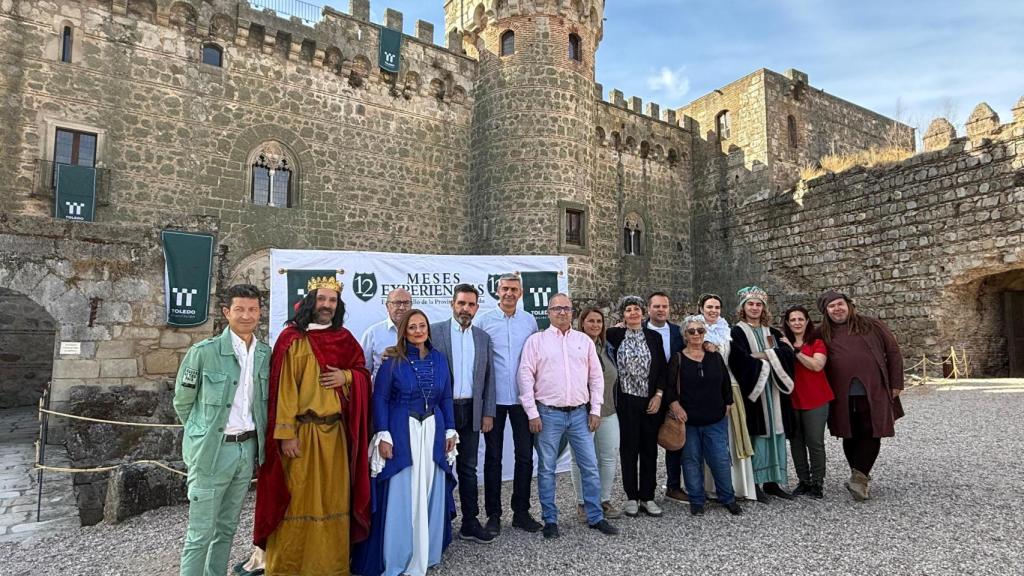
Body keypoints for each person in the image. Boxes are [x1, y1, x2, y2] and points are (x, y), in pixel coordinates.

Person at [254, 276, 373, 575]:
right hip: (301, 435)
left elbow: (362, 373)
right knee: (297, 500)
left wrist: (347, 377)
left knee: (334, 500)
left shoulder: (344, 339)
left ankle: (331, 567)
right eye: (322, 299)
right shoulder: (292, 338)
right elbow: (282, 389)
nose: (327, 306)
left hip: (334, 435)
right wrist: (285, 434)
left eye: (332, 301)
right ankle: (290, 568)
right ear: (310, 301)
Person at [174, 284, 270, 576]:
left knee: (226, 529)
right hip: (212, 452)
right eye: (239, 309)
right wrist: (201, 436)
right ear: (227, 312)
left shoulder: (266, 353)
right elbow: (182, 402)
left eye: (252, 309)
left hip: (246, 450)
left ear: (260, 313)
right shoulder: (203, 353)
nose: (246, 315)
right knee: (200, 533)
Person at [355, 309, 457, 576]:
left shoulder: (439, 359)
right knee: (403, 493)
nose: (418, 331)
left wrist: (450, 430)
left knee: (429, 489)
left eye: (422, 326)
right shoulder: (392, 362)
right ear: (404, 331)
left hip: (432, 430)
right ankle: (398, 556)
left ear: (428, 329)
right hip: (403, 431)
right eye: (412, 327)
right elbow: (380, 399)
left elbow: (445, 397)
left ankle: (428, 550)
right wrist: (384, 434)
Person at [518, 294, 620, 539]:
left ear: (572, 312)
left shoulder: (583, 341)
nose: (562, 312)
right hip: (548, 414)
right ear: (549, 312)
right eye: (557, 308)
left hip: (579, 414)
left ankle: (595, 516)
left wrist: (595, 409)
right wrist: (532, 413)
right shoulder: (536, 342)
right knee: (547, 469)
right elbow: (525, 377)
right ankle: (550, 519)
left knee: (590, 466)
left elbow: (596, 378)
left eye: (566, 308)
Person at [817, 290, 904, 501]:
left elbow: (893, 351)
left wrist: (896, 383)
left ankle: (859, 477)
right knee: (849, 433)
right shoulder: (822, 333)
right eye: (832, 306)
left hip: (873, 389)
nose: (837, 309)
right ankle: (860, 477)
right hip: (841, 393)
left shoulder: (871, 325)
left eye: (840, 304)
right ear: (826, 312)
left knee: (871, 430)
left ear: (849, 305)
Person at [429, 284, 496, 544]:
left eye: (470, 305)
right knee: (440, 467)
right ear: (452, 304)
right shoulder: (434, 332)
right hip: (442, 411)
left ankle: (470, 522)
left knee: (468, 469)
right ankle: (438, 522)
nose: (465, 309)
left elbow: (489, 379)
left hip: (472, 410)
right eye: (461, 303)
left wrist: (488, 412)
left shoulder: (483, 338)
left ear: (477, 308)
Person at [476, 273, 542, 535]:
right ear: (497, 291)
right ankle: (493, 514)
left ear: (521, 292)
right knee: (493, 458)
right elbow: (480, 364)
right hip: (494, 400)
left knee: (525, 457)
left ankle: (521, 512)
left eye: (514, 289)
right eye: (504, 288)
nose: (509, 293)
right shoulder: (484, 321)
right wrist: (482, 405)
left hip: (523, 401)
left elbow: (536, 359)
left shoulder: (529, 321)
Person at [666, 316, 743, 517]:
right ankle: (697, 500)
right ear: (685, 335)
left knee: (719, 459)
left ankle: (728, 498)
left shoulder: (714, 356)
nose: (696, 334)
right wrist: (675, 406)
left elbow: (725, 381)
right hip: (688, 421)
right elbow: (669, 387)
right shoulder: (678, 359)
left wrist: (728, 403)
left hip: (715, 419)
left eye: (700, 330)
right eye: (691, 331)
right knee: (691, 460)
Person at [727, 286, 796, 503]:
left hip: (774, 390)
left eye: (759, 304)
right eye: (750, 304)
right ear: (743, 307)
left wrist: (763, 354)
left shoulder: (773, 332)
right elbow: (739, 360)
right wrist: (770, 359)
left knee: (776, 435)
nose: (755, 308)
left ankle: (773, 482)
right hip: (753, 392)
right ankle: (754, 484)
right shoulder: (735, 332)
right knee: (757, 436)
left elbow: (788, 353)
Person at [606, 295, 667, 518]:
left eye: (637, 309)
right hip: (625, 401)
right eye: (628, 310)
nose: (633, 313)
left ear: (643, 313)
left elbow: (662, 369)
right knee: (629, 449)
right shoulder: (613, 334)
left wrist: (659, 395)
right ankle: (631, 496)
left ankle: (648, 497)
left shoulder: (654, 337)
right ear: (622, 314)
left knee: (649, 449)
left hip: (650, 400)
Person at [695, 293, 757, 502]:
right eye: (709, 307)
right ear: (701, 308)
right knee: (709, 437)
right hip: (705, 388)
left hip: (729, 385)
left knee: (732, 436)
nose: (713, 311)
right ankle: (708, 486)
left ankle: (735, 485)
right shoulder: (694, 330)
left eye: (717, 307)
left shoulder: (727, 330)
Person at [568, 307, 622, 521]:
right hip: (582, 412)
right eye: (591, 321)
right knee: (580, 459)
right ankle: (583, 503)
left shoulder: (605, 347)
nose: (595, 325)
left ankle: (603, 499)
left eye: (599, 321)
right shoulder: (574, 346)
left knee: (608, 457)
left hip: (608, 409)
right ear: (582, 323)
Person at [782, 305, 833, 499]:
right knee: (796, 442)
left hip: (816, 398)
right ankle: (803, 481)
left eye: (800, 319)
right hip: (793, 399)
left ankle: (817, 483)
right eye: (793, 320)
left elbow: (817, 365)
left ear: (807, 321)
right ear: (788, 323)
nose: (797, 323)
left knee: (815, 442)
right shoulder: (782, 343)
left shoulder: (817, 342)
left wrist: (794, 351)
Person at [644, 292, 688, 503]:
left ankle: (673, 486)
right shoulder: (638, 330)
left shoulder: (678, 332)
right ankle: (647, 491)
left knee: (675, 440)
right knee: (648, 444)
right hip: (648, 395)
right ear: (648, 308)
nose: (661, 310)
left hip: (673, 393)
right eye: (657, 306)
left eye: (665, 306)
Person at [360, 288, 413, 379]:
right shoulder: (372, 333)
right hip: (382, 391)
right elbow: (364, 372)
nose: (402, 307)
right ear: (387, 306)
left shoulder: (420, 333)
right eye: (397, 303)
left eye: (406, 303)